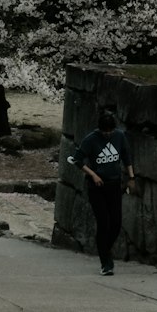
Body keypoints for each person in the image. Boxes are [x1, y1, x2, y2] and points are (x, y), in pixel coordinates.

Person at [68, 106, 137, 275]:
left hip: (114, 185)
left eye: (110, 132)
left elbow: (127, 157)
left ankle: (105, 249)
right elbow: (76, 160)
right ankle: (106, 263)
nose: (107, 135)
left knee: (116, 222)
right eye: (105, 132)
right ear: (100, 129)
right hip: (97, 187)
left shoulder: (119, 136)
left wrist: (131, 178)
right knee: (103, 222)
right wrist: (93, 175)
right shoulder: (91, 139)